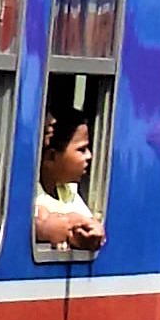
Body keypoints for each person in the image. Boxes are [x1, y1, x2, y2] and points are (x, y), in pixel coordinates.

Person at [35, 106, 104, 252]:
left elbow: (89, 224)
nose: (89, 156)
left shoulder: (68, 191)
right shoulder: (33, 195)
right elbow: (41, 221)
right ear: (51, 157)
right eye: (81, 149)